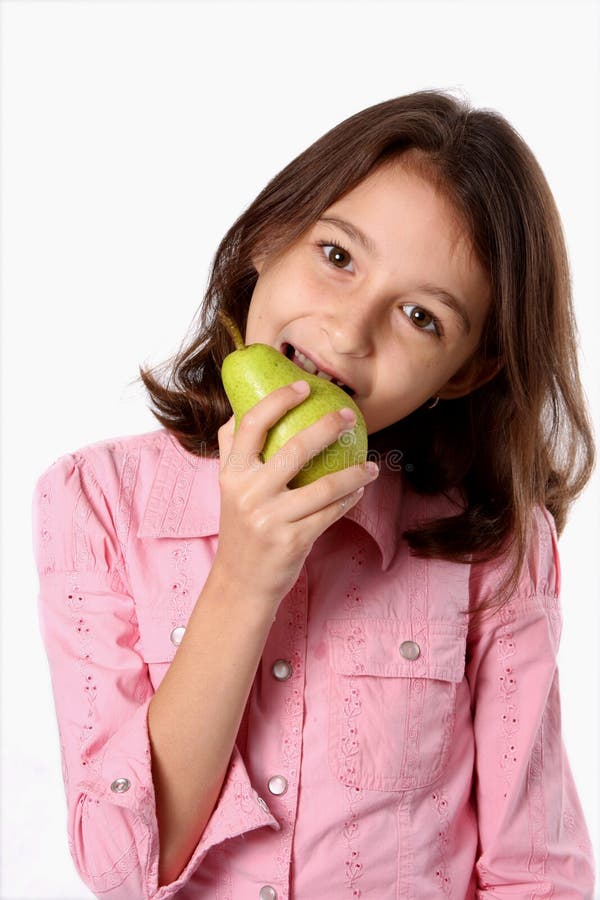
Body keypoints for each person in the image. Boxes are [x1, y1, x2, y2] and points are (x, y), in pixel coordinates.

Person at [32, 90, 596, 899]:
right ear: (270, 233)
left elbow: (535, 872)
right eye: (337, 257)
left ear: (466, 372)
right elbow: (122, 866)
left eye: (420, 316)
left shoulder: (496, 550)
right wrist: (245, 575)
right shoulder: (95, 503)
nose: (349, 330)